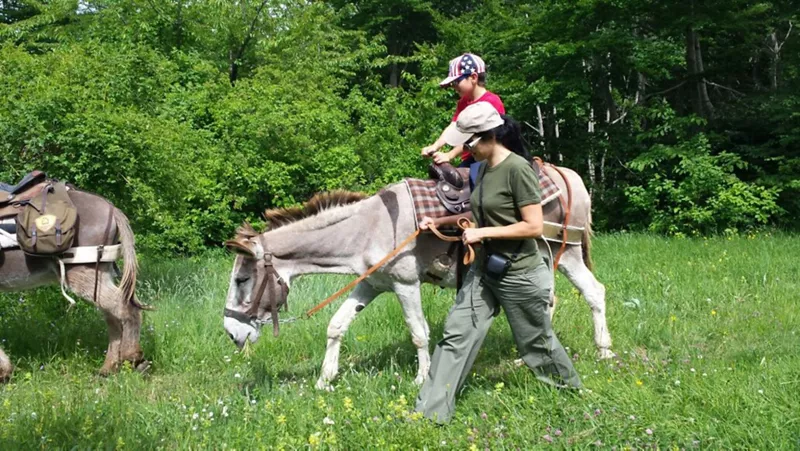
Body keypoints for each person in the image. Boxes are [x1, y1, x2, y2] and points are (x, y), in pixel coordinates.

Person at [415, 102, 582, 424]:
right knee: (456, 335)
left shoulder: (517, 169)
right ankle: (430, 414)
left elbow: (533, 226)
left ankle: (569, 395)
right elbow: (479, 214)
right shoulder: (480, 171)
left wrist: (484, 232)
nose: (462, 148)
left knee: (535, 341)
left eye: (467, 141)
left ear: (486, 136)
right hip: (484, 270)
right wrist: (439, 220)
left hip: (519, 272)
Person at [421, 53, 505, 168]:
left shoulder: (491, 102)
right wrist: (435, 146)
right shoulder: (463, 102)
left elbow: (475, 138)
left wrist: (450, 155)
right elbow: (453, 126)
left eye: (456, 82)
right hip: (471, 157)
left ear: (473, 78)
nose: (453, 87)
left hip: (487, 157)